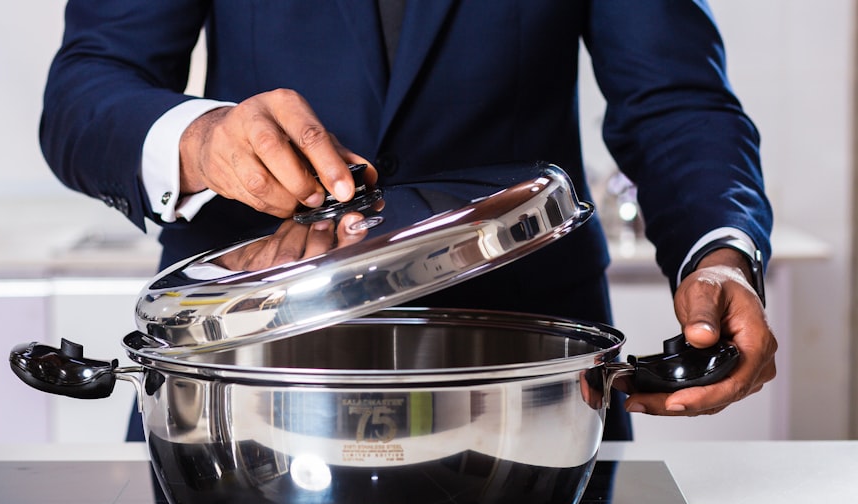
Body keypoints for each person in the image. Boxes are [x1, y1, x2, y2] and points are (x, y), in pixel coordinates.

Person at [39, 0, 777, 442]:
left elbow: (675, 95)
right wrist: (202, 142)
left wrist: (719, 253)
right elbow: (85, 90)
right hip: (242, 379)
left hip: (529, 381)